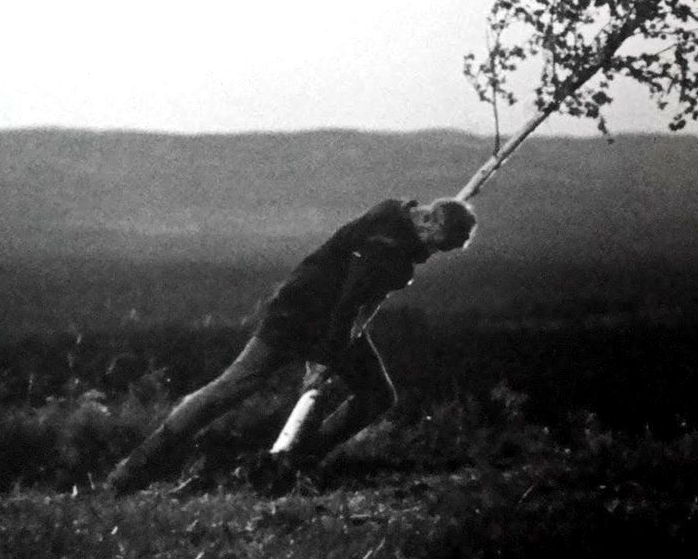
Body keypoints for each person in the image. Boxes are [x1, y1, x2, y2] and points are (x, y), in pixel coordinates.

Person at [106, 196, 477, 494]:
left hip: (333, 320)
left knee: (377, 395)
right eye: (438, 245)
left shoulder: (396, 217)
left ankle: (292, 466)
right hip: (300, 316)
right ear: (428, 222)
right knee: (232, 387)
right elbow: (349, 301)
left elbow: (359, 301)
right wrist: (321, 363)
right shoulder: (386, 246)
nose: (432, 254)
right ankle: (133, 471)